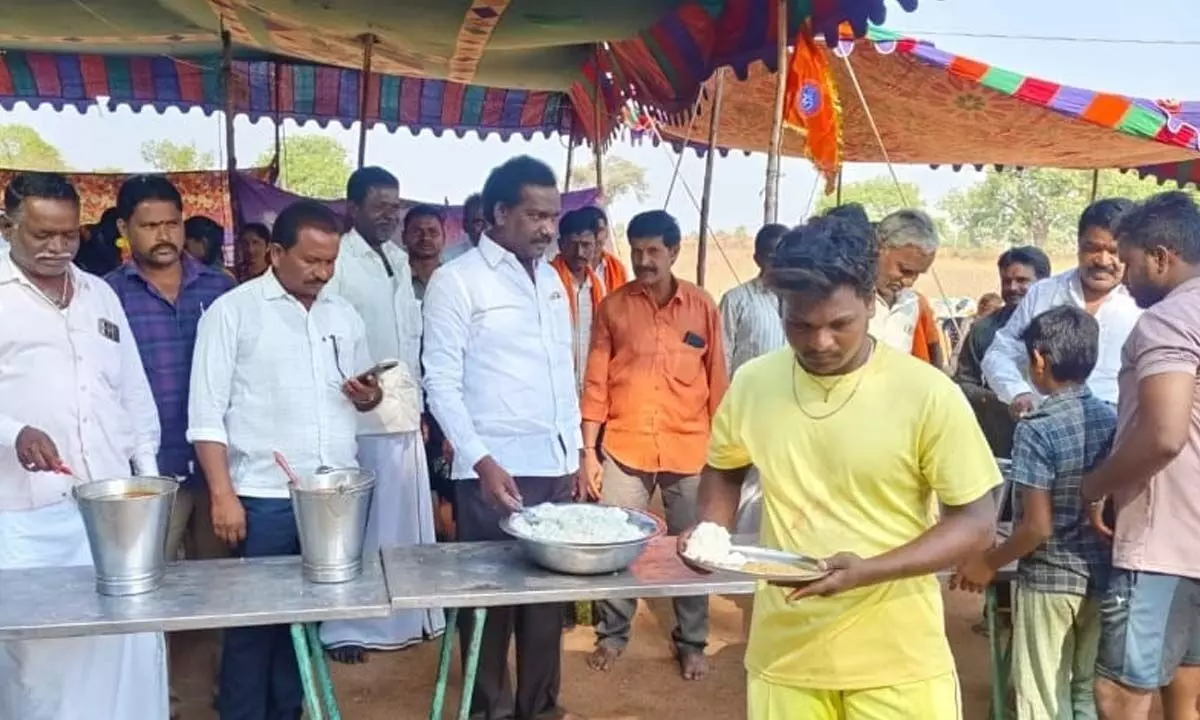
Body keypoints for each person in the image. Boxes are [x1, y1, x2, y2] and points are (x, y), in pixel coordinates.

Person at [683, 216, 999, 720]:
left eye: (839, 324)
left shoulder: (926, 393)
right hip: (784, 656)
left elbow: (976, 522)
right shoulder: (754, 384)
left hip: (897, 661)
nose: (820, 342)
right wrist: (711, 530)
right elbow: (724, 467)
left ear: (870, 304)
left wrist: (868, 571)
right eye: (801, 325)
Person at [187, 200, 383, 720]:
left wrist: (367, 396)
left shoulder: (343, 314)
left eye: (330, 262)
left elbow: (366, 399)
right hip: (263, 497)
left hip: (332, 499)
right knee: (255, 627)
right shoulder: (234, 312)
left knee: (309, 622)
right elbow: (205, 413)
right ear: (276, 252)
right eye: (311, 261)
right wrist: (223, 495)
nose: (322, 273)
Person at [0, 171, 168, 719]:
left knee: (126, 640)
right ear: (8, 226)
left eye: (69, 235)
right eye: (42, 235)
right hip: (28, 514)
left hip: (113, 504)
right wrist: (14, 431)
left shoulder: (98, 292)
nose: (58, 248)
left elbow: (132, 388)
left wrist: (146, 475)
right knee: (44, 655)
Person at [423, 156, 584, 720]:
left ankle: (539, 708)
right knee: (488, 605)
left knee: (545, 605)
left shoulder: (551, 281)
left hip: (553, 466)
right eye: (535, 214)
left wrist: (576, 456)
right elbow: (439, 383)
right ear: (498, 213)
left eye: (552, 216)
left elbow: (562, 373)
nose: (547, 227)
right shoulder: (456, 280)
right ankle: (488, 709)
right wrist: (481, 460)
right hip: (491, 473)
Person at [104, 174, 235, 714]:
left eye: (172, 223)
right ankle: (148, 704)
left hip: (215, 472)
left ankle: (197, 705)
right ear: (123, 229)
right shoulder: (104, 294)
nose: (163, 235)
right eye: (149, 225)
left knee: (213, 595)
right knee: (140, 596)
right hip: (144, 474)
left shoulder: (221, 290)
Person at [581, 210, 728, 681]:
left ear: (674, 252)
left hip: (690, 449)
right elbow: (596, 382)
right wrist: (589, 452)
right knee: (617, 546)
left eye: (653, 252)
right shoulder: (614, 307)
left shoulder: (703, 306)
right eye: (637, 250)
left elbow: (718, 382)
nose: (644, 260)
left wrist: (723, 456)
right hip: (625, 447)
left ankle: (691, 641)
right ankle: (613, 634)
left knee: (695, 550)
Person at [953, 305, 1116, 720]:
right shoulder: (1112, 420)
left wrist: (988, 562)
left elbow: (1037, 526)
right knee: (1084, 692)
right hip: (1102, 574)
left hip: (1048, 580)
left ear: (1039, 359)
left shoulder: (1036, 428)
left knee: (1041, 697)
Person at [1080, 191, 1200, 720]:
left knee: (1120, 693)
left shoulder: (1168, 321)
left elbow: (1163, 436)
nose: (1123, 277)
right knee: (1184, 687)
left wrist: (1095, 484)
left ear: (1160, 256)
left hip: (1162, 539)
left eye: (1127, 262)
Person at [319, 168, 443, 662]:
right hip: (358, 414)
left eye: (396, 206)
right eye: (380, 206)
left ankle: (407, 615)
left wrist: (421, 405)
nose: (391, 215)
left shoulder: (397, 259)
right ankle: (346, 624)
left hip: (403, 412)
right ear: (352, 209)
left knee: (402, 520)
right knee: (361, 524)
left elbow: (411, 342)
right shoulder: (340, 263)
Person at [983, 199, 1141, 416]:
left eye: (1114, 251)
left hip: (1118, 434)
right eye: (1092, 248)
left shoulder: (1145, 304)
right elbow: (1000, 353)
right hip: (1045, 425)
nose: (1103, 261)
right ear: (1078, 245)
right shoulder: (1044, 292)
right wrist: (1018, 393)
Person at [955, 246, 1052, 457]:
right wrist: (1002, 401)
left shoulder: (1063, 326)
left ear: (1045, 283)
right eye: (1006, 281)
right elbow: (963, 383)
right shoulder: (984, 329)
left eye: (1022, 281)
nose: (1012, 288)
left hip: (1052, 440)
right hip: (999, 440)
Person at [551, 209, 616, 393]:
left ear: (596, 246)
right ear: (560, 244)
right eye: (573, 244)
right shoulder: (546, 282)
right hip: (555, 388)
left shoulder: (599, 287)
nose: (579, 252)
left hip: (589, 389)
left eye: (586, 245)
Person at [870, 209, 944, 367]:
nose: (909, 282)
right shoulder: (848, 298)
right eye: (904, 270)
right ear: (880, 248)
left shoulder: (911, 302)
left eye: (917, 274)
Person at [574, 205, 629, 290]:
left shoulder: (617, 268)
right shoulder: (564, 267)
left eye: (599, 230)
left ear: (607, 232)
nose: (595, 237)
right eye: (589, 231)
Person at [403, 203, 447, 300]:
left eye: (433, 232)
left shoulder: (453, 278)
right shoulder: (397, 278)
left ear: (444, 237)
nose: (426, 237)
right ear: (404, 237)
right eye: (417, 232)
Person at [184, 215, 234, 280]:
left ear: (204, 242)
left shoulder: (220, 279)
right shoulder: (228, 278)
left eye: (185, 246)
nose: (183, 251)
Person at [441, 192, 485, 262]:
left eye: (491, 222)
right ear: (465, 226)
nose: (486, 228)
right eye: (479, 223)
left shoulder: (505, 256)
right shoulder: (449, 259)